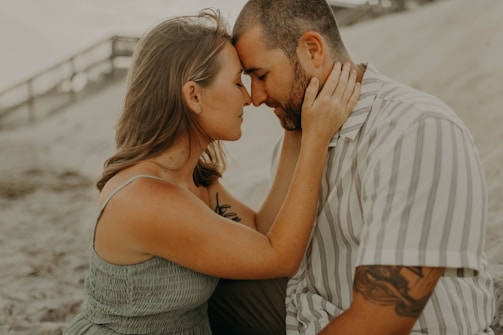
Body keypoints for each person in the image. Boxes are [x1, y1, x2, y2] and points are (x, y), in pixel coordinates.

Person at [62, 8, 361, 335]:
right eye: (237, 83)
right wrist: (316, 140)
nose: (249, 98)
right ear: (194, 95)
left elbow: (261, 231)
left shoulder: (193, 179)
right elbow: (279, 256)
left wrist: (294, 125)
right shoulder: (146, 198)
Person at [208, 0, 495, 334]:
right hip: (307, 317)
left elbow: (382, 320)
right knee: (205, 285)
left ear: (313, 50)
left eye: (261, 75)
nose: (255, 97)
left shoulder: (414, 129)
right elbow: (270, 247)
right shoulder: (296, 140)